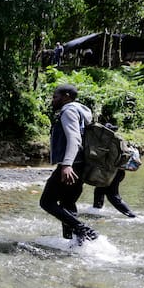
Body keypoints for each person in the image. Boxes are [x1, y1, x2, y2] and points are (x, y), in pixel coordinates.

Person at [39, 84, 98, 244]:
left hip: (71, 165)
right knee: (68, 203)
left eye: (55, 97)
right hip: (81, 164)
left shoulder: (69, 111)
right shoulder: (81, 111)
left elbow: (74, 139)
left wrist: (66, 165)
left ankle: (83, 229)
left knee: (46, 202)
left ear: (66, 96)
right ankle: (76, 243)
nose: (53, 100)